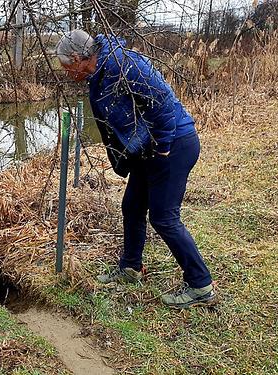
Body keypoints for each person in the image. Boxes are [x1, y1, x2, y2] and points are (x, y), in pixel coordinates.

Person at [56, 30, 216, 309]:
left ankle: (200, 284)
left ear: (78, 58)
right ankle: (130, 267)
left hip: (173, 144)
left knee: (164, 217)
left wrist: (164, 146)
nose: (66, 73)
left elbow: (163, 102)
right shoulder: (102, 70)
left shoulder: (124, 63)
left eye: (66, 67)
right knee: (132, 206)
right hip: (150, 147)